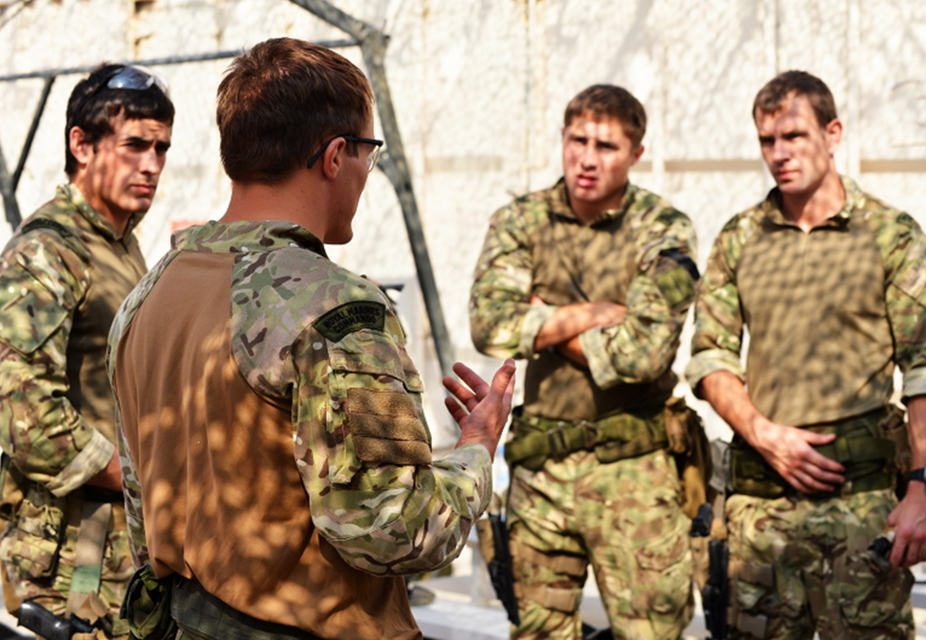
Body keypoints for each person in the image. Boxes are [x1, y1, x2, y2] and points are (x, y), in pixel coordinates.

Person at [106, 37, 516, 640]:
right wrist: (477, 448)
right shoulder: (332, 305)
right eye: (367, 155)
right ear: (333, 156)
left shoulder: (149, 294)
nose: (364, 176)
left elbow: (142, 501)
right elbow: (391, 531)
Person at [686, 70, 926, 639]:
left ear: (832, 134)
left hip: (862, 510)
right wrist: (763, 433)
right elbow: (710, 356)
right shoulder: (741, 239)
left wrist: (923, 489)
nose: (779, 154)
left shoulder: (891, 236)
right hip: (759, 510)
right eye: (767, 140)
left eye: (794, 136)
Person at [470, 84, 699, 639]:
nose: (588, 159)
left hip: (636, 474)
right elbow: (489, 324)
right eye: (578, 140)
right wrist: (594, 313)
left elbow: (641, 355)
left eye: (607, 146)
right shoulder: (522, 220)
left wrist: (545, 320)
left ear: (635, 154)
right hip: (541, 471)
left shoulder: (663, 229)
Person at [0, 64, 174, 638]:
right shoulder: (49, 250)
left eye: (161, 149)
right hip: (75, 560)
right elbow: (25, 417)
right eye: (134, 146)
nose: (150, 165)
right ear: (81, 144)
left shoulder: (120, 244)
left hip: (122, 549)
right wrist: (142, 475)